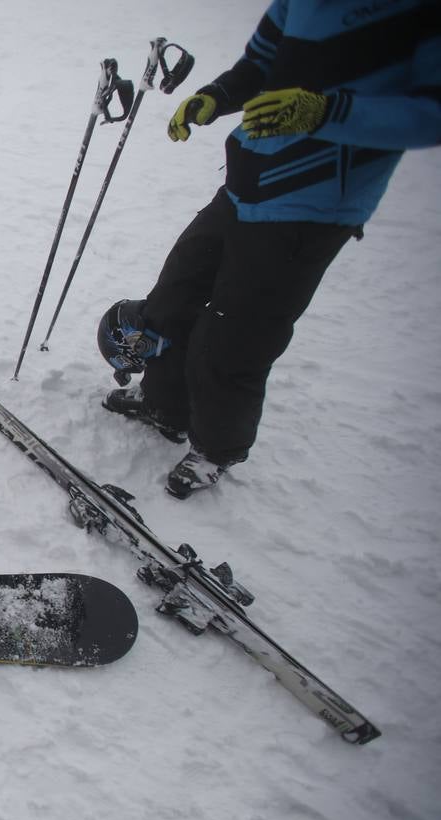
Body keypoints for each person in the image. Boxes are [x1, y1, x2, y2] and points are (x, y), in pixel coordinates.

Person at [97, 0, 441, 498]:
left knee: (239, 332)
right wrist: (219, 95)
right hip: (248, 180)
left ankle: (217, 447)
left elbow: (429, 114)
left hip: (313, 202)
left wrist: (324, 112)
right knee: (177, 293)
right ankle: (165, 406)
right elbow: (263, 63)